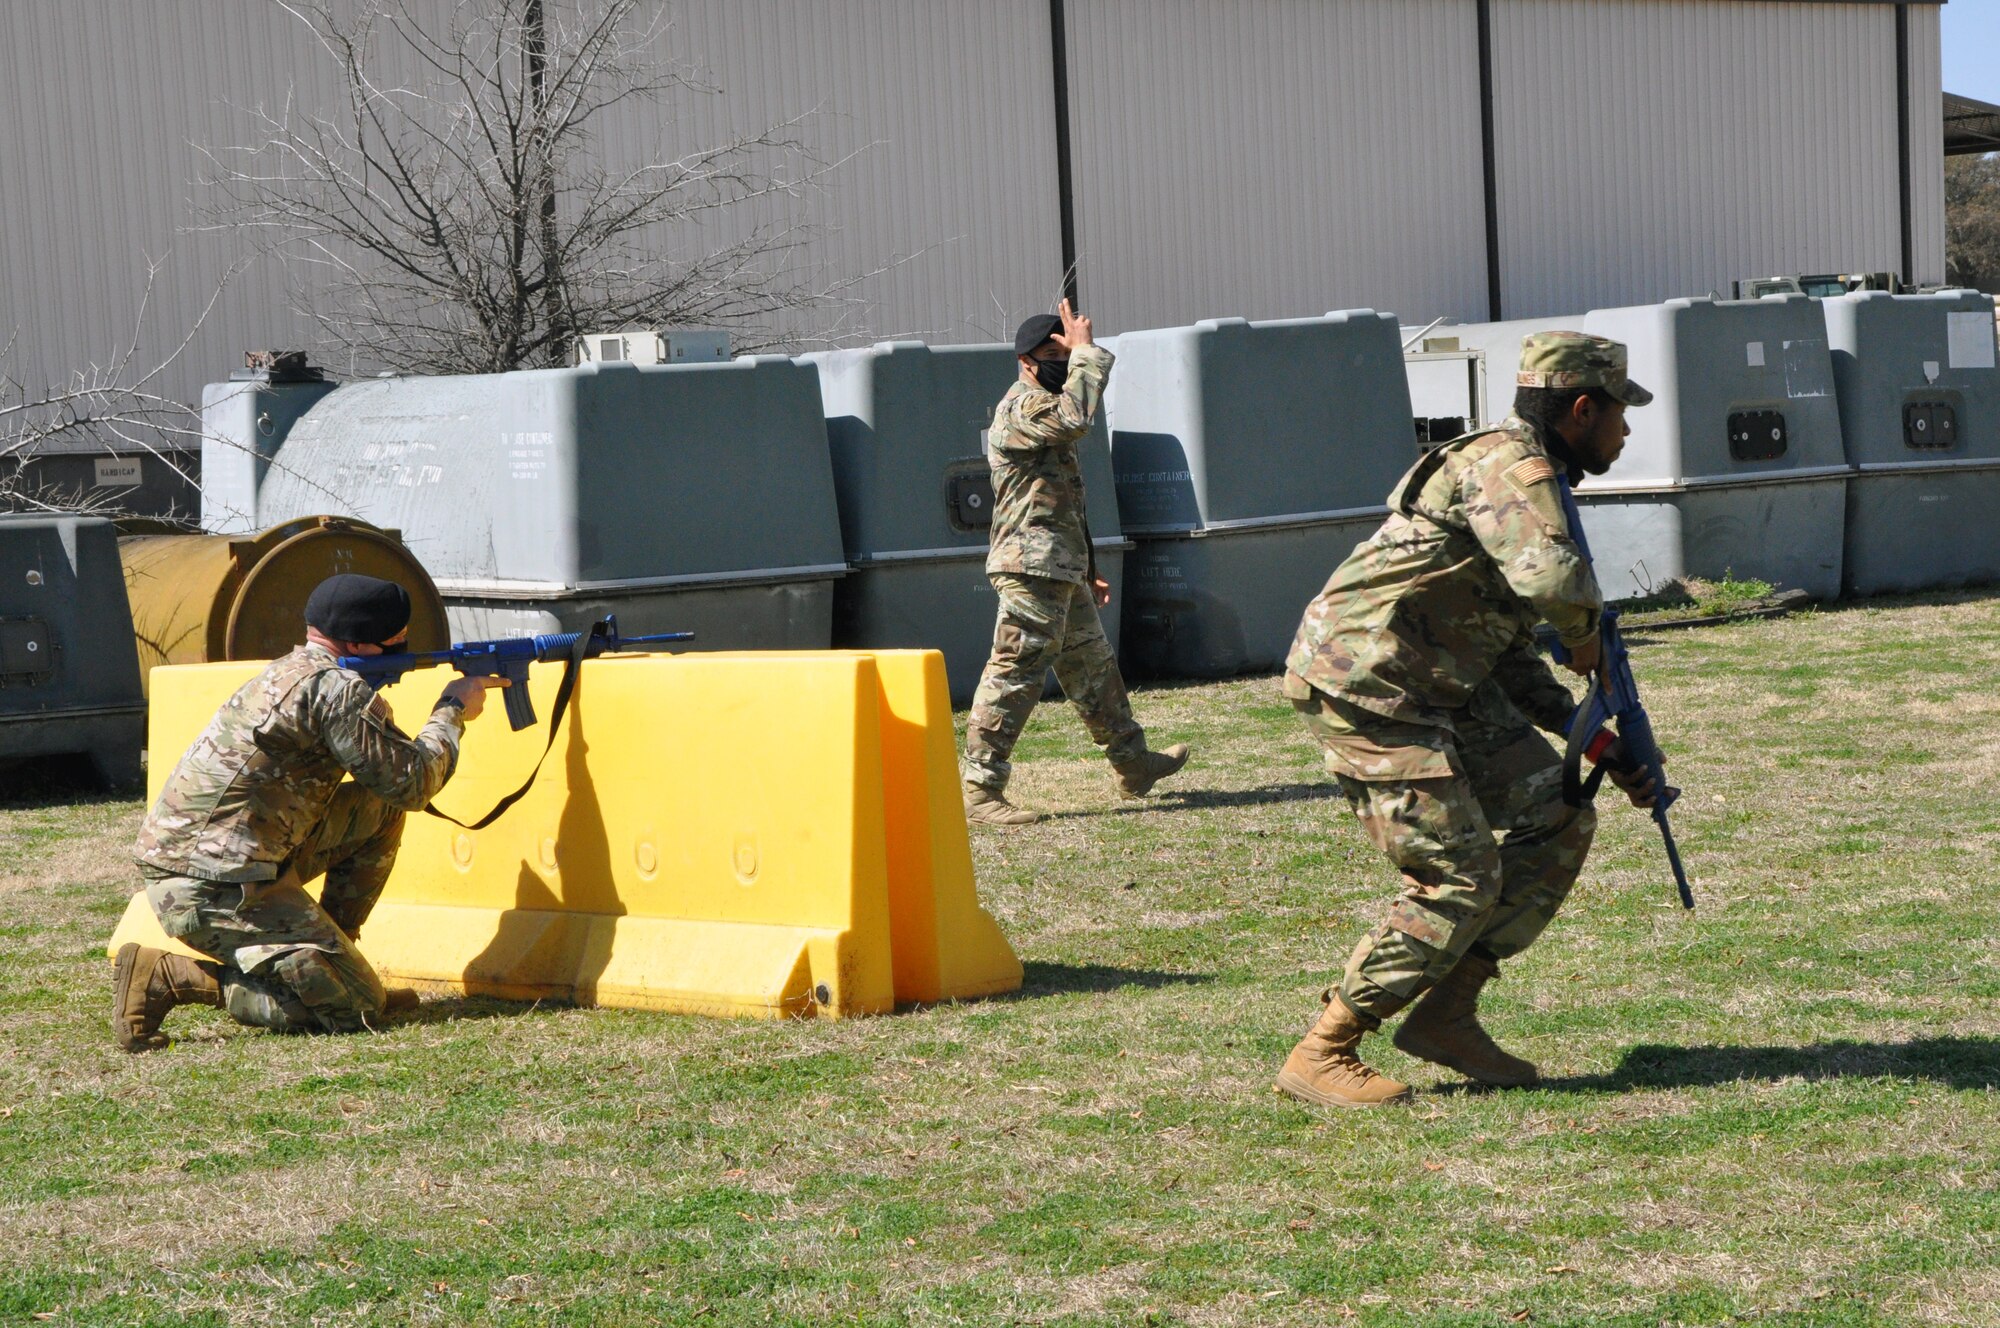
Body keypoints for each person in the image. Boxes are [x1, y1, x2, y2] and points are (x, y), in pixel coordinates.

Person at [1273, 331, 1666, 1108]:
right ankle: (1325, 1049)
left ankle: (1446, 1014)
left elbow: (1508, 647)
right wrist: (1586, 637)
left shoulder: (1532, 474)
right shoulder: (1510, 468)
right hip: (1370, 685)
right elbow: (1552, 582)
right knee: (1459, 875)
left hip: (1440, 682)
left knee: (1558, 814)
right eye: (1620, 414)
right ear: (1582, 409)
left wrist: (1593, 735)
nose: (1626, 432)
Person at [113, 573, 505, 1050]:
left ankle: (334, 955)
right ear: (360, 641)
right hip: (212, 885)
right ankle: (175, 977)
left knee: (375, 807)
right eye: (396, 642)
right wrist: (452, 711)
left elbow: (387, 782)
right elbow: (413, 784)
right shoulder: (336, 689)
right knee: (355, 1009)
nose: (404, 648)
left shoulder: (290, 670)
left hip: (222, 861)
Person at [961, 299, 1190, 826]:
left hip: (1058, 565)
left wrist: (1084, 566)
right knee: (1014, 671)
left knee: (1092, 667)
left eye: (1064, 352)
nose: (1062, 361)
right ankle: (980, 787)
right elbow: (1076, 417)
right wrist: (1086, 351)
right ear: (1025, 360)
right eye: (1052, 354)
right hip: (1030, 566)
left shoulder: (1044, 407)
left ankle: (1133, 764)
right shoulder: (1022, 409)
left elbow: (1057, 497)